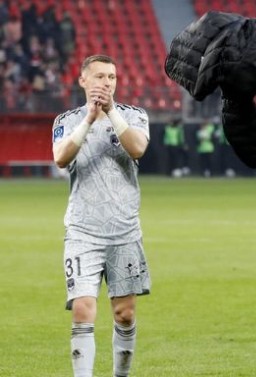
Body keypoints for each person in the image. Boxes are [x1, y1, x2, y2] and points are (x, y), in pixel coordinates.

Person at [51, 54, 151, 377]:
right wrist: (90, 120)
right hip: (83, 231)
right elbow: (61, 158)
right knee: (82, 308)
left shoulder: (134, 116)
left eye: (111, 77)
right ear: (83, 80)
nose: (106, 83)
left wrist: (109, 113)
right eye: (99, 77)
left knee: (124, 313)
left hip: (124, 232)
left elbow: (137, 149)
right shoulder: (65, 121)